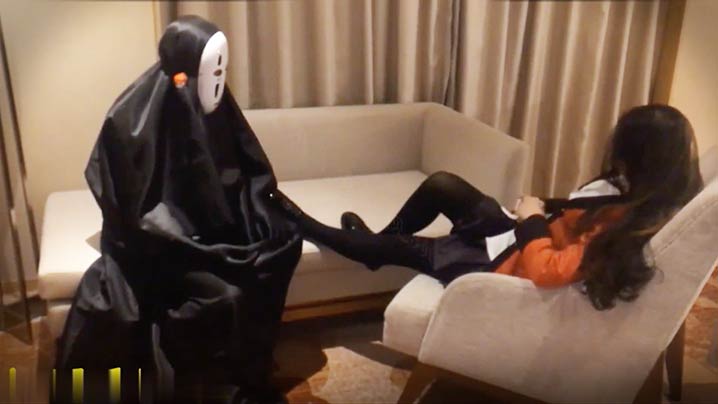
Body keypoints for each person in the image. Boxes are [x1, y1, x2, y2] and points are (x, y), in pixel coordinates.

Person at [55, 16, 301, 403]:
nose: (219, 80)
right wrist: (190, 240)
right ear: (186, 68)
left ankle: (241, 365)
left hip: (208, 235)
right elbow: (136, 210)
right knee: (225, 296)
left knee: (281, 247)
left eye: (223, 69)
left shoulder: (218, 107)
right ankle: (204, 382)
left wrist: (248, 215)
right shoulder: (132, 120)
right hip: (157, 248)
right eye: (212, 69)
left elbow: (245, 171)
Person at [276, 104, 702, 311]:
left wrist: (532, 220)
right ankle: (373, 246)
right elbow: (579, 212)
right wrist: (538, 208)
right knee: (443, 185)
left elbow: (549, 272)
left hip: (503, 266)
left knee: (406, 249)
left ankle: (303, 224)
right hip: (514, 236)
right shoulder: (642, 192)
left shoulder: (627, 225)